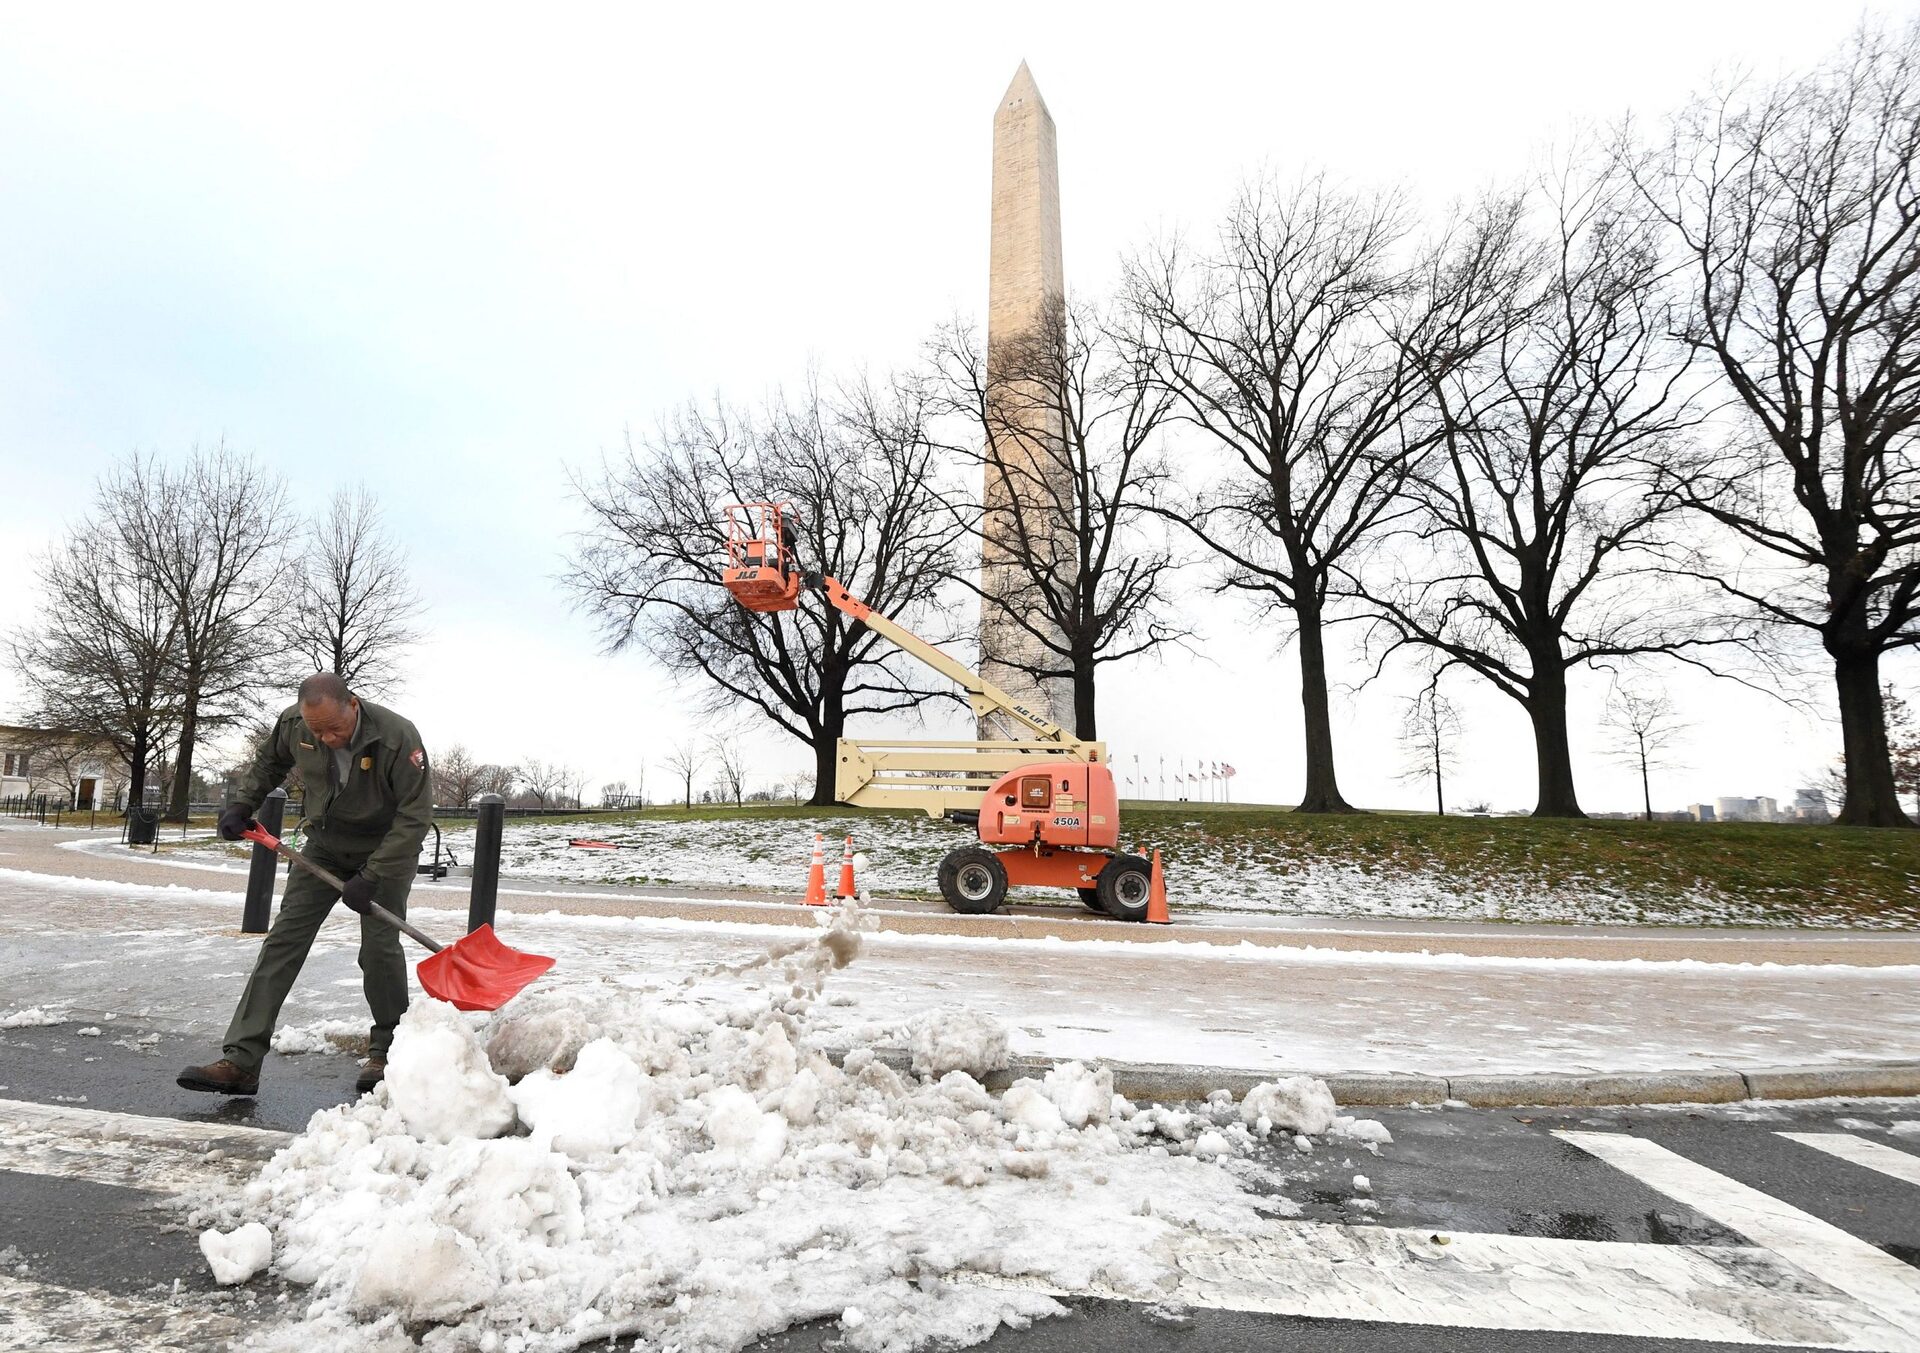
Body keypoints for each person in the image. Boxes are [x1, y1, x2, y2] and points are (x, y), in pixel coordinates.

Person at [178, 673, 432, 1097]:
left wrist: (373, 874)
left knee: (379, 947)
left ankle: (387, 1050)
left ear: (353, 704)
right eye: (317, 730)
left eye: (335, 728)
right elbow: (268, 763)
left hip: (384, 850)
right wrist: (243, 802)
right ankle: (241, 1060)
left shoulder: (397, 737)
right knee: (283, 942)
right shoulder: (294, 724)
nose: (328, 738)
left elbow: (414, 816)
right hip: (324, 844)